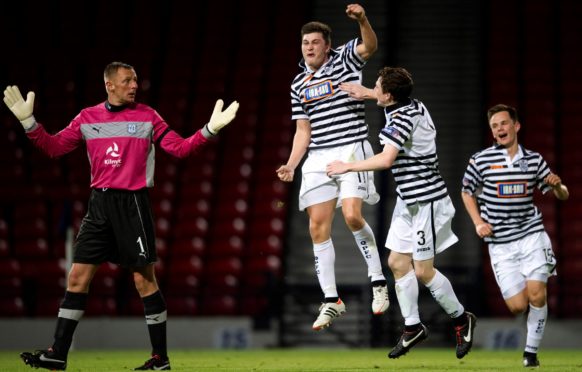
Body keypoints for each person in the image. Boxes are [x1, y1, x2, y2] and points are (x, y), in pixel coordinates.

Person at [3, 61, 239, 371]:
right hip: (98, 205)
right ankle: (58, 353)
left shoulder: (148, 116)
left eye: (136, 81)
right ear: (109, 85)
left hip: (133, 205)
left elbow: (180, 149)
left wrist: (210, 130)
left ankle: (159, 359)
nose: (134, 86)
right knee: (76, 278)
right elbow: (54, 148)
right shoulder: (87, 118)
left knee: (144, 281)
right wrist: (29, 122)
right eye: (128, 81)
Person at [326, 66, 476, 359]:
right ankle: (412, 327)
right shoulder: (411, 105)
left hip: (428, 202)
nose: (374, 87)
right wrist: (369, 93)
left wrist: (346, 167)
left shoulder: (402, 119)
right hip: (408, 202)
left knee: (423, 271)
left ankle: (461, 319)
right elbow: (386, 101)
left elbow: (385, 160)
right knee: (396, 262)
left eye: (378, 85)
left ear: (390, 96)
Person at [276, 3, 389, 331]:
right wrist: (291, 164)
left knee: (352, 215)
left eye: (314, 42)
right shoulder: (299, 84)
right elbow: (303, 131)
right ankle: (331, 300)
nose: (309, 47)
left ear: (327, 45)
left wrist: (363, 19)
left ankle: (378, 281)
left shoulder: (344, 58)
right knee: (317, 227)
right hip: (318, 156)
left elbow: (370, 46)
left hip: (352, 147)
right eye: (304, 43)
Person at [460, 104, 568, 368]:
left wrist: (559, 186)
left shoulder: (534, 160)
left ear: (516, 126)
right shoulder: (481, 160)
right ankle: (529, 344)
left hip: (532, 236)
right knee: (518, 306)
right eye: (495, 125)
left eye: (504, 123)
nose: (499, 129)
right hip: (500, 243)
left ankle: (530, 354)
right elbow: (466, 192)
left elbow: (562, 194)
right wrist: (478, 222)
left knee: (537, 295)